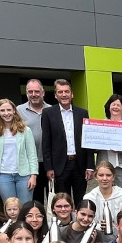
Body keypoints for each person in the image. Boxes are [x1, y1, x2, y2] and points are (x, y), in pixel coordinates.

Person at [41, 78, 94, 206]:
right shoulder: (48, 113)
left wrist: (90, 165)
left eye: (66, 91)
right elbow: (46, 142)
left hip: (79, 164)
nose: (64, 95)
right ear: (55, 95)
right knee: (62, 201)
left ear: (72, 94)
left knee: (80, 199)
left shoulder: (82, 113)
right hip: (60, 166)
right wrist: (48, 167)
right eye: (60, 92)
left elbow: (88, 141)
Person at [0, 98, 38, 205]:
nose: (6, 113)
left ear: (14, 110)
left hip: (24, 175)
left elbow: (32, 154)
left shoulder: (25, 130)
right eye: (2, 111)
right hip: (3, 175)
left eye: (9, 110)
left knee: (25, 207)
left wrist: (33, 176)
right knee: (11, 208)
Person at [16, 78, 50, 200]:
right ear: (26, 93)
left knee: (53, 197)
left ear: (43, 93)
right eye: (30, 92)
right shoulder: (18, 111)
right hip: (30, 162)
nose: (34, 94)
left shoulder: (52, 110)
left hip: (50, 161)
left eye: (37, 91)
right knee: (35, 198)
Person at [83, 161, 122, 243]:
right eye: (101, 175)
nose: (104, 179)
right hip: (96, 240)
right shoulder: (89, 197)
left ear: (113, 177)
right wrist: (98, 226)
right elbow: (85, 222)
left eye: (108, 175)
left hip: (119, 239)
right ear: (96, 177)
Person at [98, 94, 122, 196]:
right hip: (104, 167)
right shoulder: (100, 125)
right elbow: (92, 147)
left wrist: (120, 149)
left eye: (118, 105)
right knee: (104, 196)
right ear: (108, 107)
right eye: (113, 104)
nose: (115, 107)